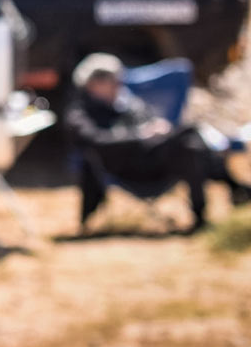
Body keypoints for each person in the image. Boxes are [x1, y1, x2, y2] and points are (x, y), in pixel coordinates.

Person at [65, 52, 251, 234]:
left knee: (190, 146)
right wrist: (140, 135)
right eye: (113, 81)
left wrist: (157, 128)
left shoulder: (125, 104)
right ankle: (235, 189)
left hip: (154, 160)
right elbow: (96, 141)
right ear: (93, 84)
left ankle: (210, 209)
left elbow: (148, 120)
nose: (118, 85)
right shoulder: (80, 113)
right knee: (190, 135)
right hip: (127, 168)